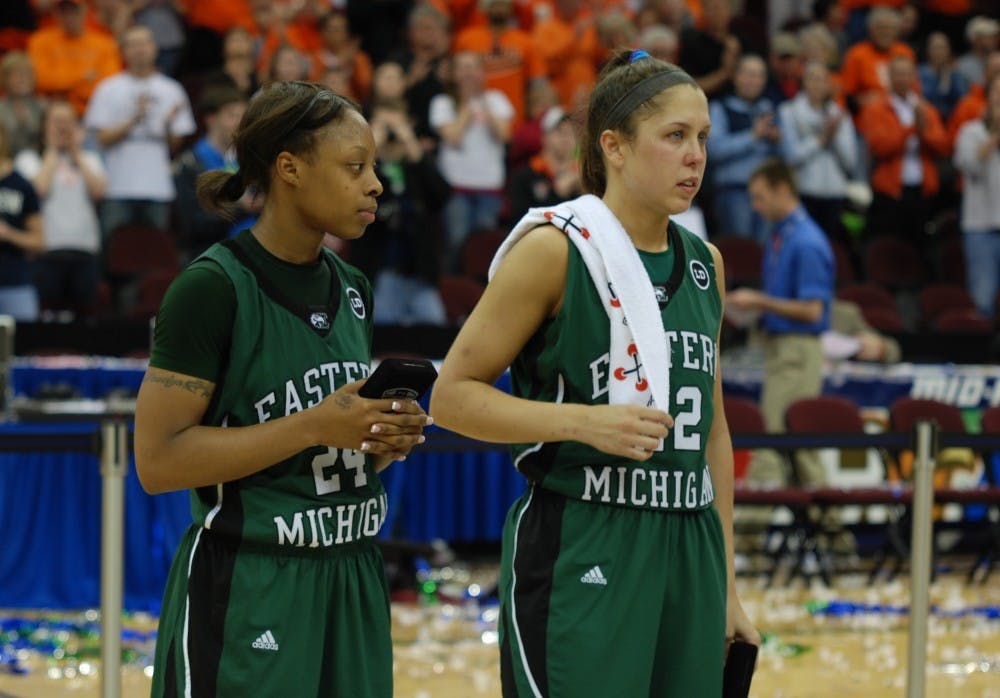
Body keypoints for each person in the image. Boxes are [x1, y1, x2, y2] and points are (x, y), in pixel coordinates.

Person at [429, 49, 759, 696]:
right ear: (614, 146)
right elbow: (451, 397)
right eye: (675, 136)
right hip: (585, 536)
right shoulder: (553, 250)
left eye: (702, 138)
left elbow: (713, 433)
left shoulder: (706, 264)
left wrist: (726, 584)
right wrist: (582, 421)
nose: (696, 155)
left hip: (688, 545)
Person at [134, 81, 432, 697]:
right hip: (249, 582)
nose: (376, 183)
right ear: (289, 169)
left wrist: (379, 438)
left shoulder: (353, 286)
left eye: (374, 166)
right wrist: (316, 424)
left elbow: (328, 448)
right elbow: (157, 461)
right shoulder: (211, 288)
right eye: (355, 167)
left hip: (352, 571)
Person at [727, 159, 835, 487]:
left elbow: (813, 311)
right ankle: (831, 534)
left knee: (773, 443)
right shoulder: (782, 236)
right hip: (782, 349)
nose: (755, 206)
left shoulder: (806, 242)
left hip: (797, 353)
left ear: (782, 190)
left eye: (759, 197)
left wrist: (759, 302)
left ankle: (747, 534)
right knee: (797, 447)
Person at [84, 24, 196, 238]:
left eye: (144, 43)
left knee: (156, 252)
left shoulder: (172, 90)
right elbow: (100, 139)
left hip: (157, 187)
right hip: (117, 186)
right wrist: (134, 120)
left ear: (154, 48)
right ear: (123, 51)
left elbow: (175, 146)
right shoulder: (108, 88)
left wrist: (167, 125)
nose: (139, 49)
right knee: (114, 253)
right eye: (133, 44)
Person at [14, 100, 105, 317]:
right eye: (57, 121)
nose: (63, 127)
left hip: (85, 250)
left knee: (85, 319)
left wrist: (76, 153)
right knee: (47, 318)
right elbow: (38, 190)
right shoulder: (29, 160)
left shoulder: (89, 159)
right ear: (44, 126)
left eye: (68, 122)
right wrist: (53, 150)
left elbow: (99, 191)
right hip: (47, 251)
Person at [856, 54, 949, 241]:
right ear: (889, 77)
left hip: (922, 191)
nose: (902, 79)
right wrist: (912, 129)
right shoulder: (876, 109)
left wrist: (924, 133)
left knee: (922, 249)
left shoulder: (926, 109)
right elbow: (879, 147)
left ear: (914, 77)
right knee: (889, 247)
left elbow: (943, 147)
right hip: (890, 192)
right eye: (897, 74)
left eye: (907, 74)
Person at [779, 60, 860, 242]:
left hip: (835, 193)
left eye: (822, 79)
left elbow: (851, 162)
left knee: (830, 246)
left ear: (829, 85)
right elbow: (791, 156)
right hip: (803, 192)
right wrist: (821, 139)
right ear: (803, 82)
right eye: (811, 78)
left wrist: (834, 138)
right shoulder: (789, 111)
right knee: (802, 243)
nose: (816, 84)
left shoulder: (840, 115)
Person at [707, 54, 782, 243]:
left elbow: (786, 156)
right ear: (736, 77)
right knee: (740, 251)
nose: (753, 81)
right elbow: (714, 150)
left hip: (767, 191)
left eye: (759, 75)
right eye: (748, 74)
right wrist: (752, 136)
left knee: (765, 252)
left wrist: (777, 141)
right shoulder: (720, 108)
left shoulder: (769, 109)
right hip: (734, 191)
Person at [172, 86, 248, 262]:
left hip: (252, 257)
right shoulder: (190, 163)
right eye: (232, 116)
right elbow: (193, 225)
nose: (240, 123)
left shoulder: (250, 160)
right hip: (212, 259)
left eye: (243, 117)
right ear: (211, 120)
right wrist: (241, 207)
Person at [953, 72, 1000, 320]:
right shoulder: (971, 131)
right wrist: (995, 137)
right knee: (982, 299)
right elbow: (968, 165)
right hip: (980, 226)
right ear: (988, 96)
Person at [27, 0, 121, 116]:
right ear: (55, 15)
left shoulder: (104, 43)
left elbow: (110, 83)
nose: (69, 17)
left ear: (85, 12)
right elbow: (42, 80)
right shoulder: (40, 41)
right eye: (63, 12)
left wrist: (63, 88)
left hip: (93, 108)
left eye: (74, 12)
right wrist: (82, 77)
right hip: (53, 109)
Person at [0, 122, 45, 321]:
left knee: (24, 346)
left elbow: (39, 241)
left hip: (15, 282)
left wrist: (8, 234)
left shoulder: (21, 184)